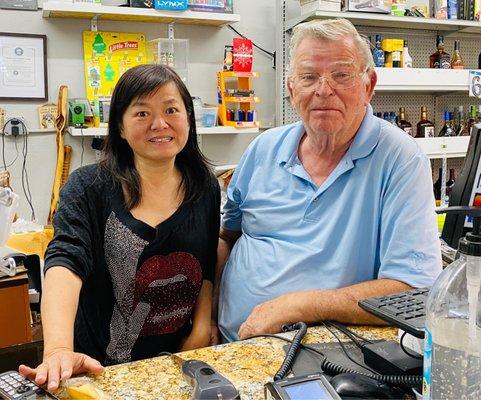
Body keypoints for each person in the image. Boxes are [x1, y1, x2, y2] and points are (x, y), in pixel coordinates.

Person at [216, 19, 442, 342]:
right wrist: (208, 316)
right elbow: (227, 237)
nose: (324, 90)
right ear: (292, 89)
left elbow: (411, 288)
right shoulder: (263, 150)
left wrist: (300, 305)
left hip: (318, 357)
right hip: (225, 347)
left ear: (369, 85)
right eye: (309, 77)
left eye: (341, 75)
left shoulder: (399, 160)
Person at [20, 64, 220, 391]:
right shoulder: (88, 188)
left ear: (188, 118)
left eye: (171, 109)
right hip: (98, 369)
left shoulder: (204, 188)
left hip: (177, 362)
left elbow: (207, 263)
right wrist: (58, 349)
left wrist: (200, 328)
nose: (160, 124)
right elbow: (65, 262)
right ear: (121, 128)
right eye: (141, 113)